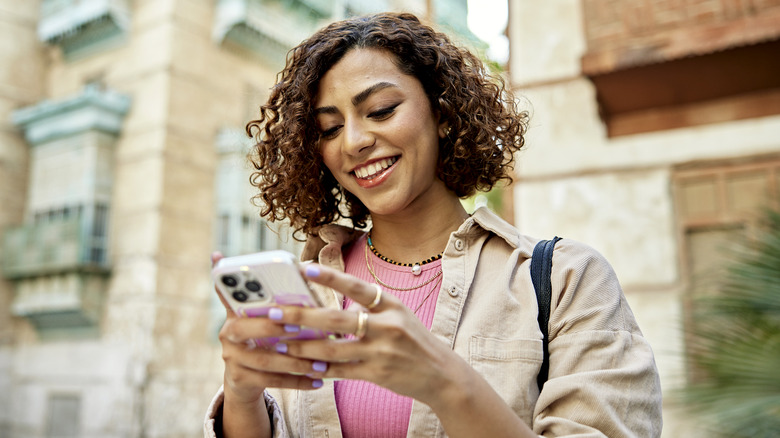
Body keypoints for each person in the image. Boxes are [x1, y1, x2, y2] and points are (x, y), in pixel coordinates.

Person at [205, 12, 662, 438]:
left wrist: (445, 384)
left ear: (442, 114)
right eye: (329, 129)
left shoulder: (564, 280)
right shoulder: (312, 289)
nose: (356, 141)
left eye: (381, 110)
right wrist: (242, 394)